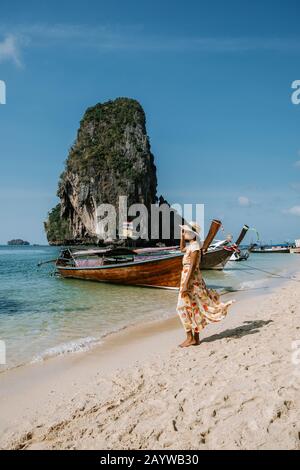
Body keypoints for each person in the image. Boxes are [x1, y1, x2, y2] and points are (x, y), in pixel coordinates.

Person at [177, 222, 234, 348]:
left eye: (186, 231)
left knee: (181, 308)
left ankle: (190, 337)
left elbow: (192, 267)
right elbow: (181, 249)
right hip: (192, 278)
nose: (184, 233)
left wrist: (186, 284)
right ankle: (195, 339)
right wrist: (182, 237)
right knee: (194, 307)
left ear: (193, 234)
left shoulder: (195, 248)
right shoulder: (192, 245)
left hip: (190, 279)